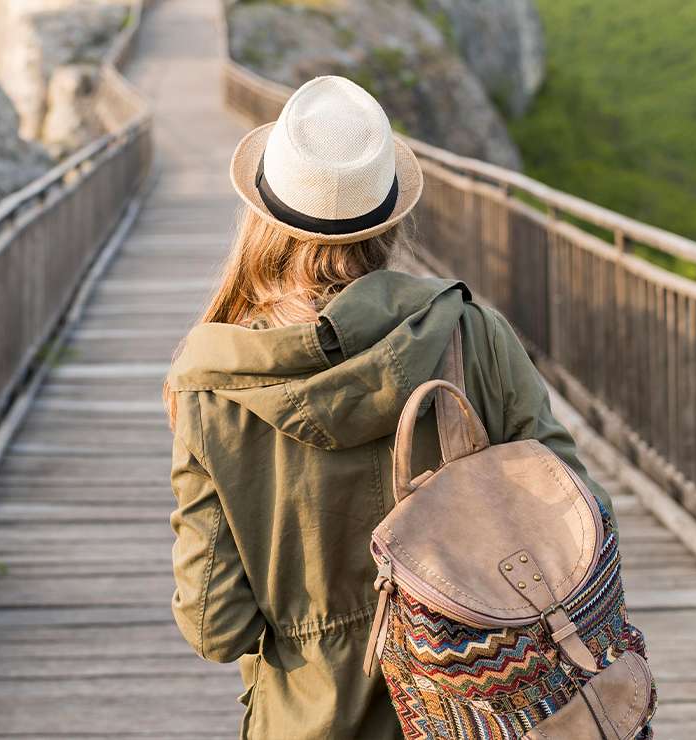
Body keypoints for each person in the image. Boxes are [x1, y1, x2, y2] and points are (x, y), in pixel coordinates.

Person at [162, 76, 615, 739]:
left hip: (304, 718)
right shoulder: (469, 330)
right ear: (391, 213)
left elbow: (216, 625)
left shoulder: (210, 383)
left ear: (262, 210)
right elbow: (583, 511)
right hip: (481, 707)